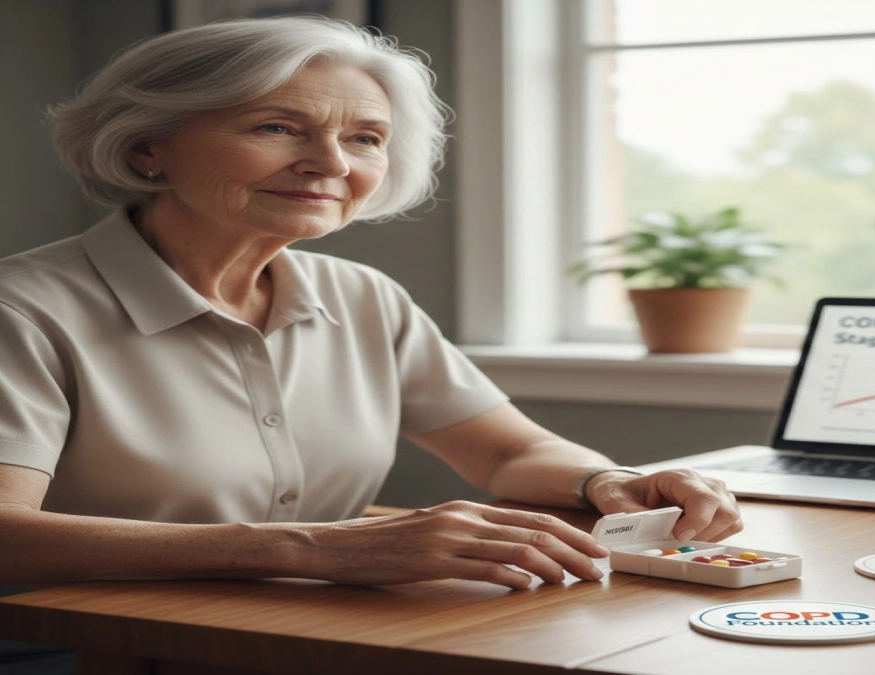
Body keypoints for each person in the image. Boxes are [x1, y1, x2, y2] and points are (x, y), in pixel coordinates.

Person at [0, 13, 741, 604]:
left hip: (309, 633)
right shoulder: (23, 309)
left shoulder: (363, 296)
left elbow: (507, 451)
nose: (332, 164)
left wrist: (605, 481)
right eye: (277, 126)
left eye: (366, 138)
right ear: (146, 150)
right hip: (77, 645)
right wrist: (317, 548)